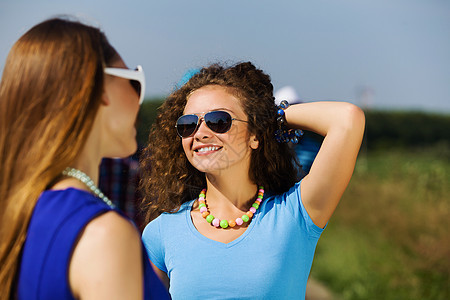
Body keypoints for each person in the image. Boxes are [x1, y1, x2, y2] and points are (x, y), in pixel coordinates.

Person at [140, 62, 365, 299]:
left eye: (219, 121)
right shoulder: (161, 231)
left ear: (254, 135)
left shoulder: (296, 214)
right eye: (188, 124)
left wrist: (269, 118)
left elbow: (347, 119)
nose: (201, 132)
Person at [0, 17, 168, 299]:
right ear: (99, 88)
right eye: (134, 82)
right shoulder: (104, 234)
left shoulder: (19, 211)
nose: (138, 100)